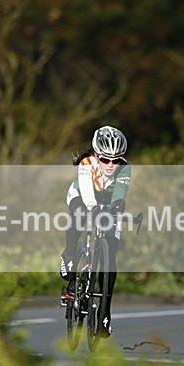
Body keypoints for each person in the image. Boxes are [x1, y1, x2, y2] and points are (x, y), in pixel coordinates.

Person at [59, 125, 131, 338]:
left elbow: (120, 192)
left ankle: (105, 312)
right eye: (105, 159)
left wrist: (118, 205)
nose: (110, 165)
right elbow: (88, 193)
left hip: (106, 203)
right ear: (95, 154)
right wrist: (94, 208)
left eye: (116, 160)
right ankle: (70, 254)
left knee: (111, 248)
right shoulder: (86, 163)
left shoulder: (125, 168)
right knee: (80, 215)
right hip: (82, 197)